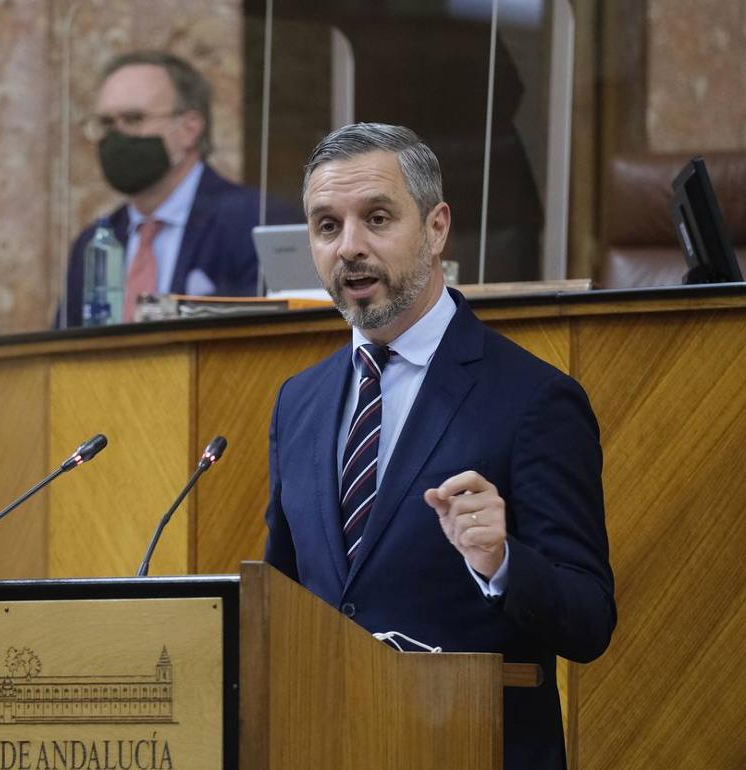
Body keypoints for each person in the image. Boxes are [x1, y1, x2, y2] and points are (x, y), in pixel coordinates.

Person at [263, 123, 615, 770]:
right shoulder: (299, 403)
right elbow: (285, 602)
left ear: (436, 227)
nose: (350, 248)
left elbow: (589, 622)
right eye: (327, 226)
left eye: (376, 218)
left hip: (472, 747)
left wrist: (501, 561)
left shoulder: (533, 399)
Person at [62, 50, 293, 327]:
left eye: (133, 119)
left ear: (189, 128)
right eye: (107, 123)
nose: (116, 136)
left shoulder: (255, 221)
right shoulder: (96, 241)